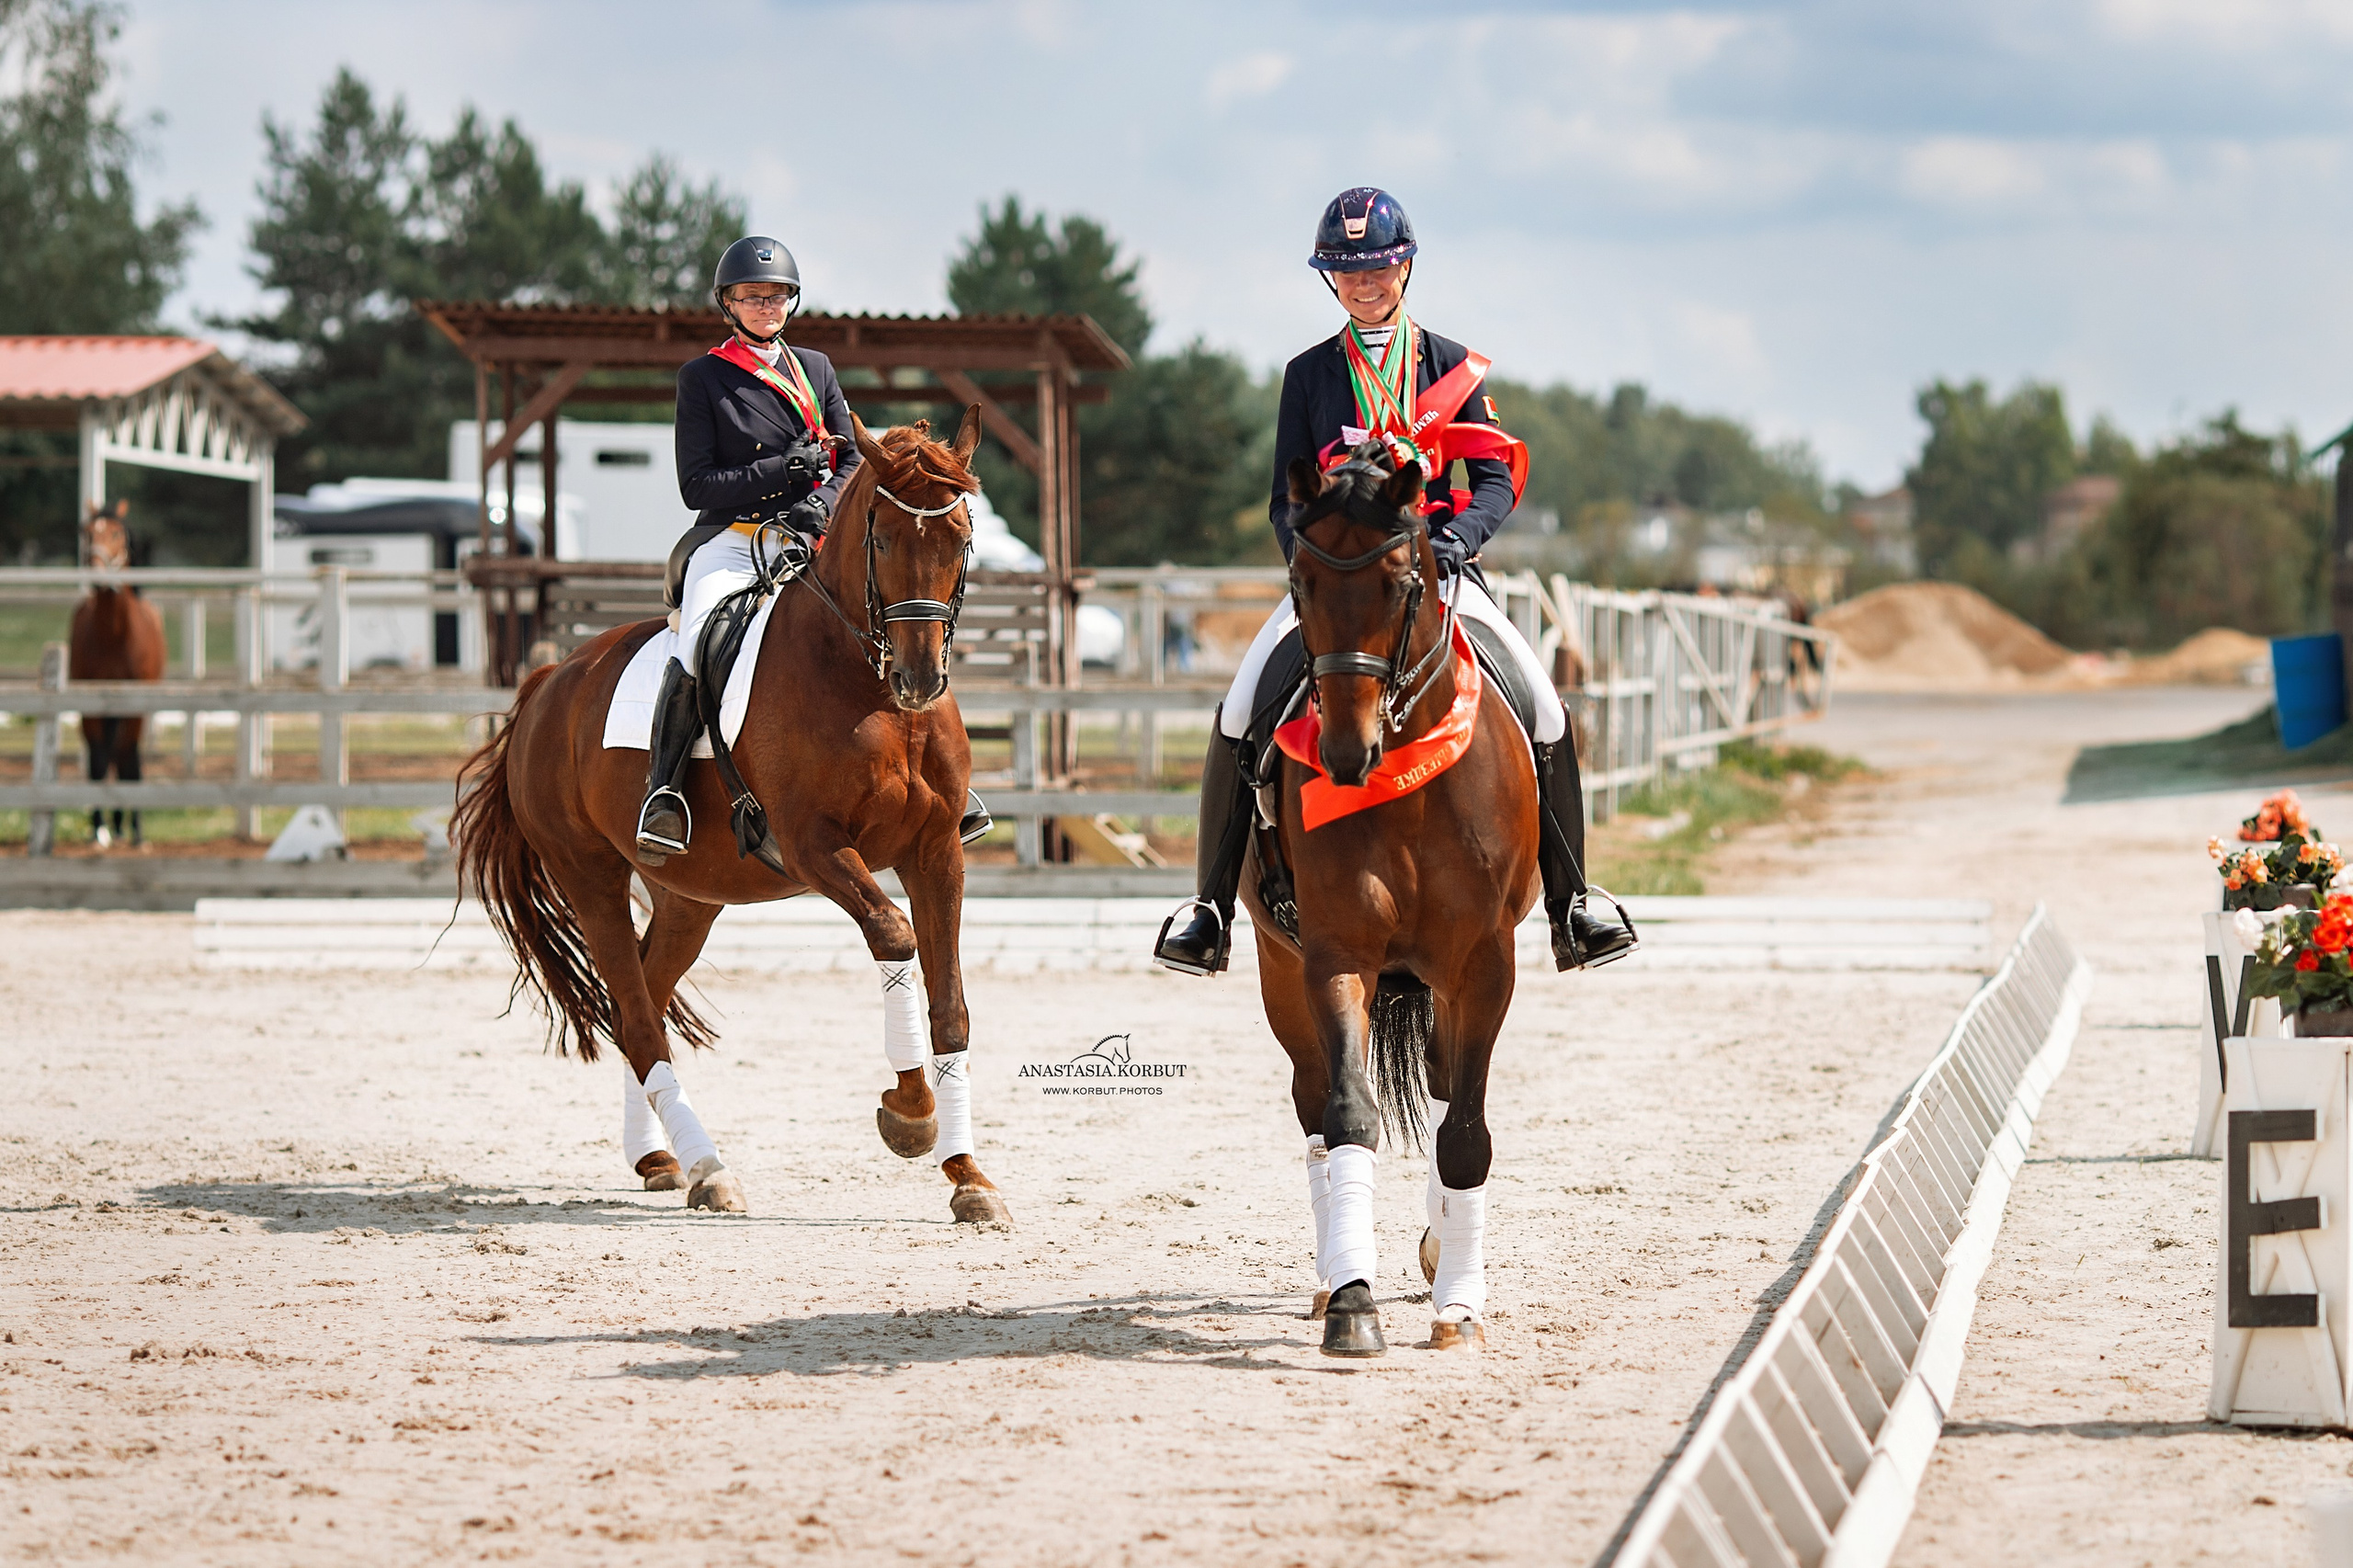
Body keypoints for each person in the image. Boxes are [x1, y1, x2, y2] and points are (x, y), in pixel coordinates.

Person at [1152, 187, 1638, 975]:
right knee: (1241, 705)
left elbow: (1494, 477)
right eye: (1346, 270)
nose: (1364, 282)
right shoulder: (1308, 375)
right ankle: (1208, 908)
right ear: (1329, 280)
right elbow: (1286, 494)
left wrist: (1454, 542)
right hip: (1339, 582)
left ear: (1404, 266)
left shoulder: (1448, 364)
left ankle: (1573, 902)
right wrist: (1313, 562)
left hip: (1440, 574)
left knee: (1546, 706)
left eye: (1377, 266)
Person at [635, 235, 860, 863]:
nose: (766, 305)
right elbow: (696, 485)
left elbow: (851, 456)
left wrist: (820, 502)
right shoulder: (703, 378)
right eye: (751, 296)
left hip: (812, 537)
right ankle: (666, 792)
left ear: (792, 301)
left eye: (776, 295)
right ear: (727, 303)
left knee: (889, 614)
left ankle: (940, 783)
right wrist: (783, 473)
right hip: (734, 541)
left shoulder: (814, 368)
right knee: (698, 635)